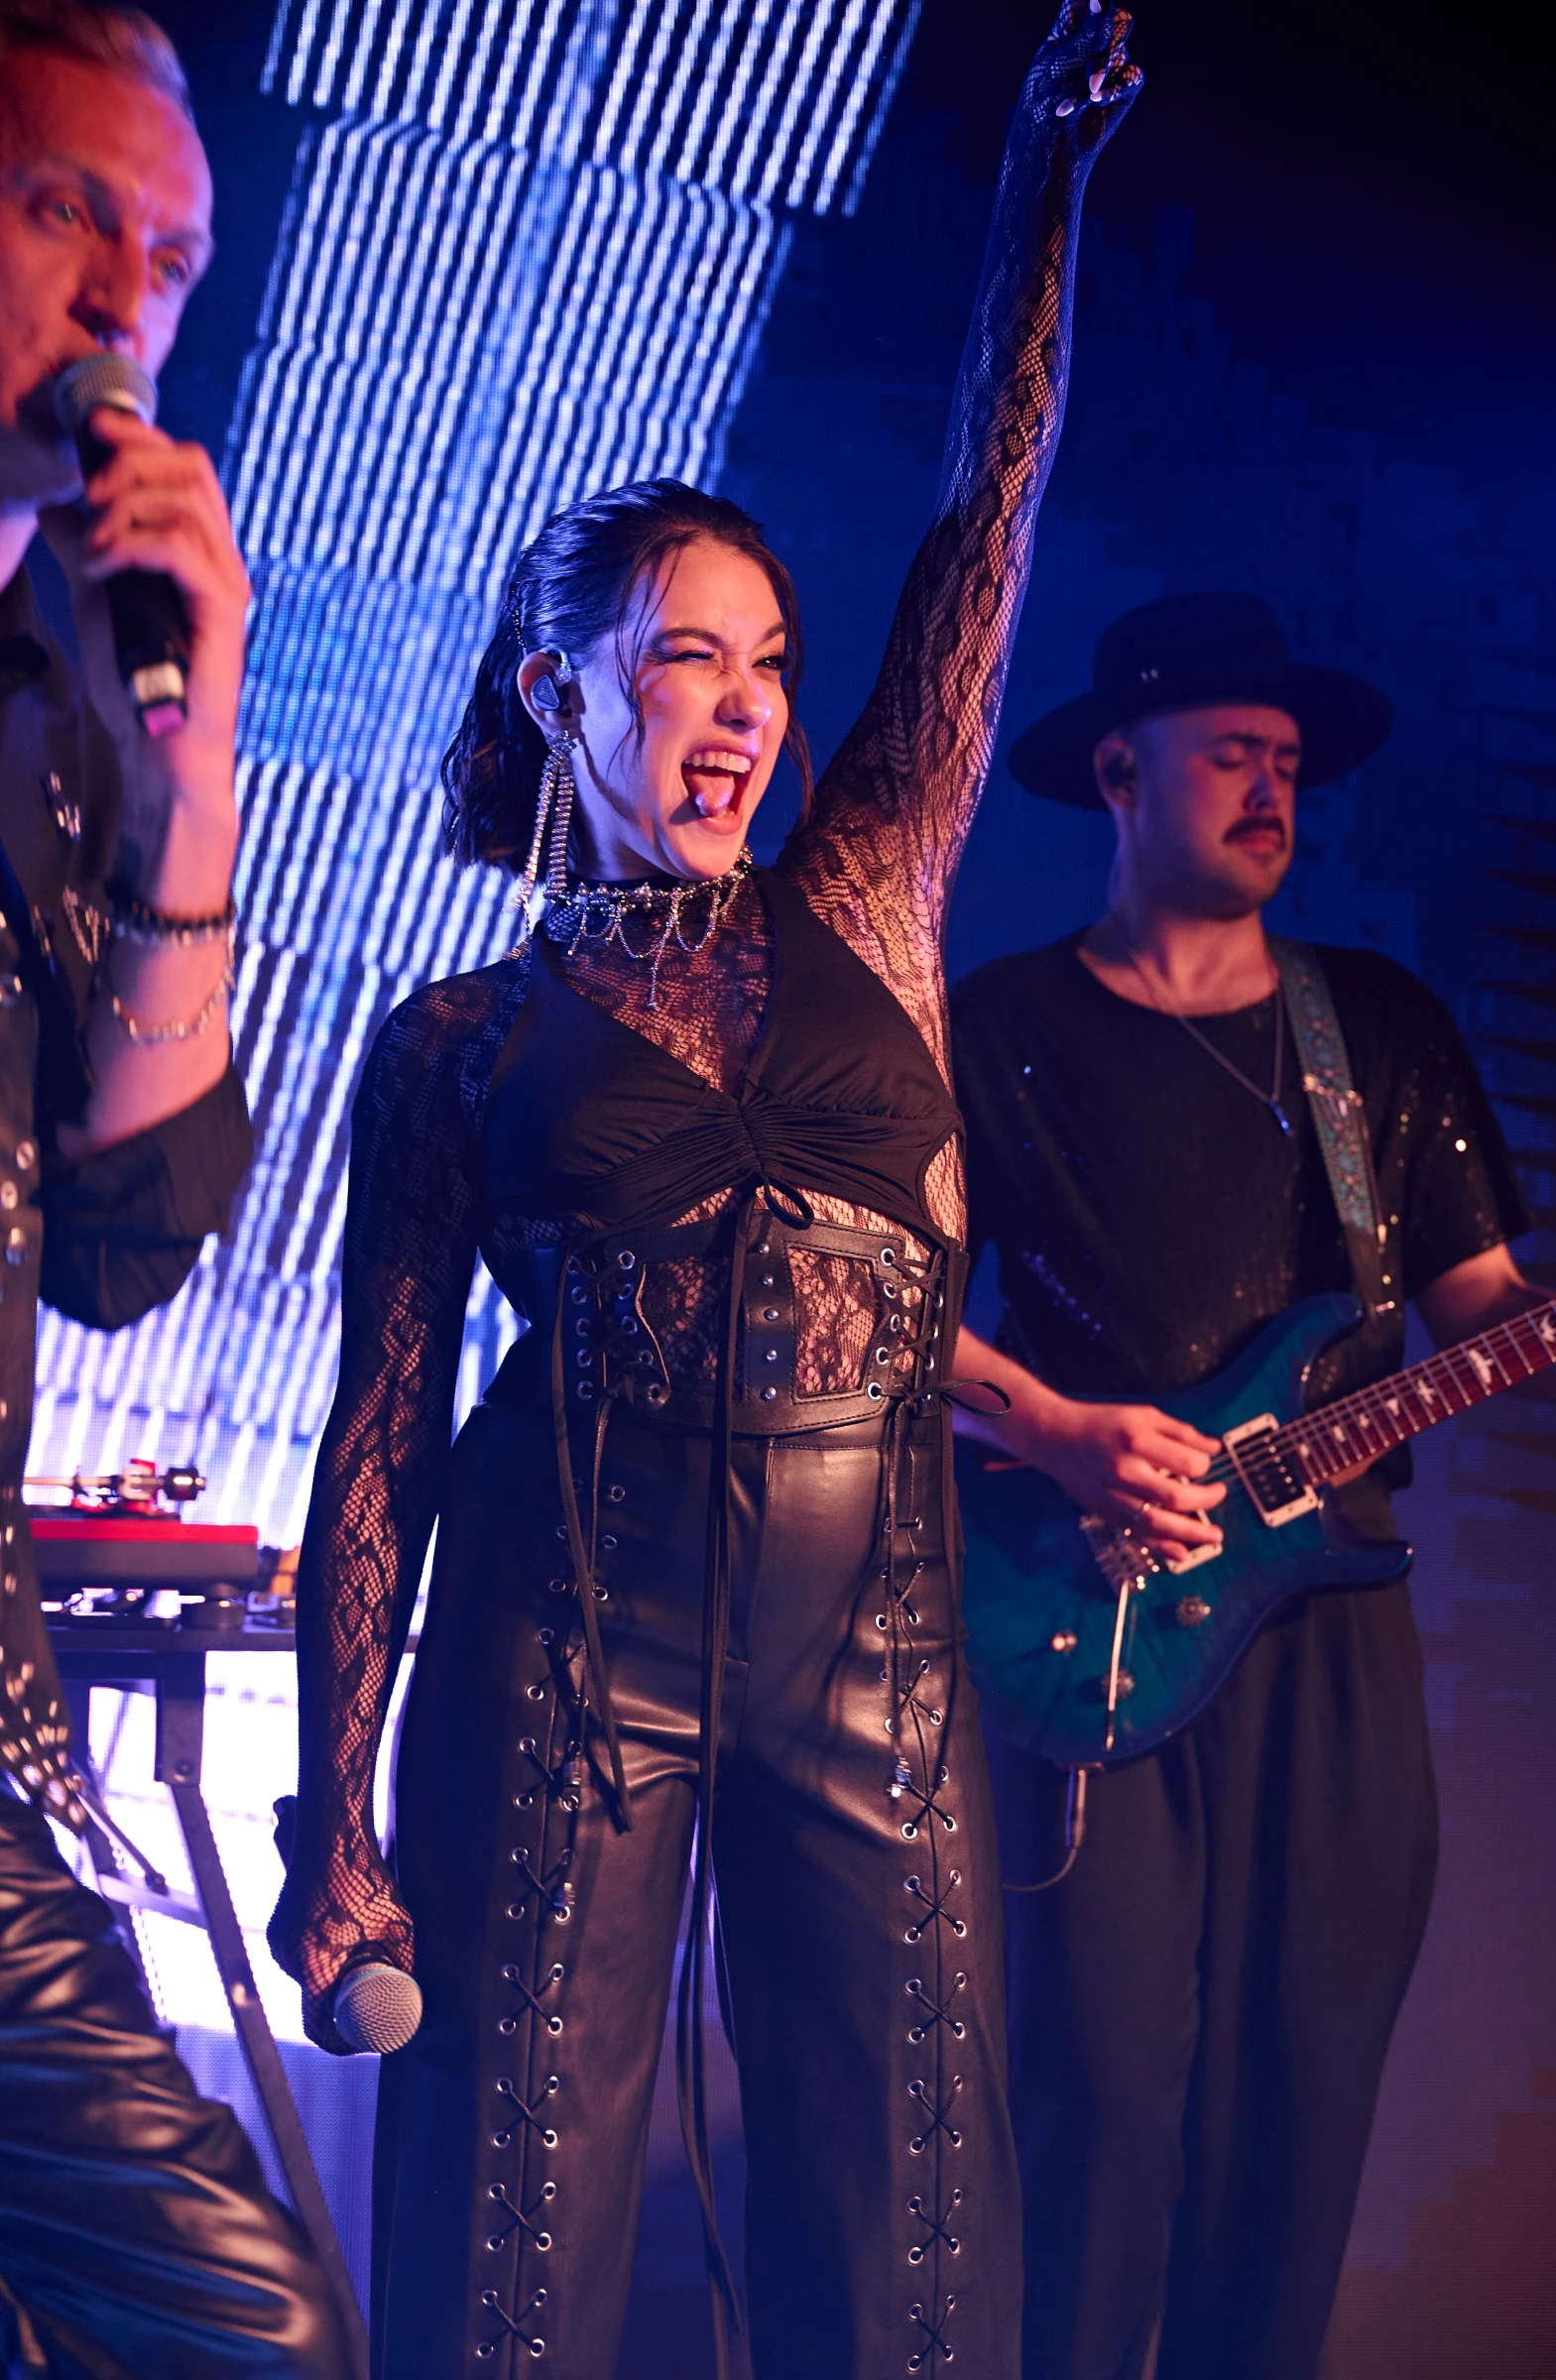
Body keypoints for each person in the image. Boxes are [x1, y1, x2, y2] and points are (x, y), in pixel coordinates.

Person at [266, 12, 1141, 2377]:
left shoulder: (868, 888)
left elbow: (978, 535)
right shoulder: (453, 1040)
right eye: (680, 661)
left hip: (880, 1647)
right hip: (558, 1646)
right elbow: (371, 1441)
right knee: (509, 2244)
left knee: (917, 2245)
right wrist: (330, 1814)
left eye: (764, 660)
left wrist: (1043, 189)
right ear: (558, 695)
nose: (742, 704)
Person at [949, 590, 1556, 2380]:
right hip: (1093, 1609)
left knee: (1295, 2115)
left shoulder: (1369, 1025)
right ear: (1116, 772)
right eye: (1231, 751)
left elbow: (1475, 1309)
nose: (1270, 788)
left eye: (1288, 762)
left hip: (1326, 1624)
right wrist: (1057, 1429)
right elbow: (888, 1325)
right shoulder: (994, 1027)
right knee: (1097, 2101)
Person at [0, 6, 347, 2373]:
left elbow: (126, 1240)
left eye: (180, 259)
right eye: (67, 211)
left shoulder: (61, 705)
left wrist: (199, 748)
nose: (129, 297)